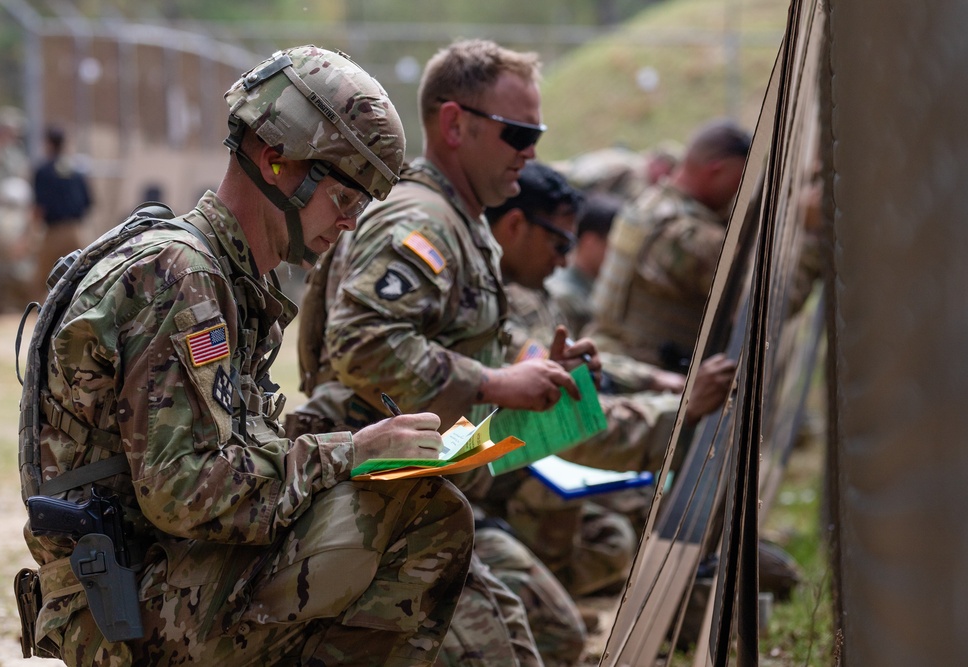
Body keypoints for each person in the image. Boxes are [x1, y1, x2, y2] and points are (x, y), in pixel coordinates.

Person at [16, 45, 473, 666]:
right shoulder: (181, 276)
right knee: (423, 514)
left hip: (145, 575)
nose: (348, 224)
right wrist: (355, 452)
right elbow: (186, 493)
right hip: (126, 603)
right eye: (343, 199)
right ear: (276, 161)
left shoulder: (225, 280)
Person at [290, 39, 590, 667]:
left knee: (556, 635)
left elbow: (444, 352)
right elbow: (363, 345)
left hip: (438, 497)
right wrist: (496, 382)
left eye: (536, 133)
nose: (530, 151)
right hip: (379, 504)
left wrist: (533, 377)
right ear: (455, 124)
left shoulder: (462, 223)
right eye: (517, 133)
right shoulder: (418, 223)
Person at [484, 161, 736, 596]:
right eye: (558, 241)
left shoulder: (527, 295)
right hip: (485, 487)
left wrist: (656, 381)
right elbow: (566, 423)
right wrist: (685, 409)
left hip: (501, 473)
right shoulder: (498, 304)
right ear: (514, 226)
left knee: (614, 538)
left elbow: (568, 374)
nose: (565, 258)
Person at [585, 119, 751, 372]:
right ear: (717, 169)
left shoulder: (648, 205)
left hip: (611, 360)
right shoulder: (686, 235)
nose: (740, 191)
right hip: (647, 379)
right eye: (740, 179)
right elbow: (763, 301)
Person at [544, 191, 623, 337]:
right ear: (590, 242)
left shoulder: (595, 284)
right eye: (614, 245)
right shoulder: (565, 295)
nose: (618, 254)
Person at [31, 125, 93, 297]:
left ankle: (44, 319)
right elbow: (89, 202)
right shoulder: (77, 169)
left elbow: (39, 207)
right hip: (77, 231)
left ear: (48, 143)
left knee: (42, 280)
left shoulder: (43, 170)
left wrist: (31, 234)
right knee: (84, 277)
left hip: (54, 232)